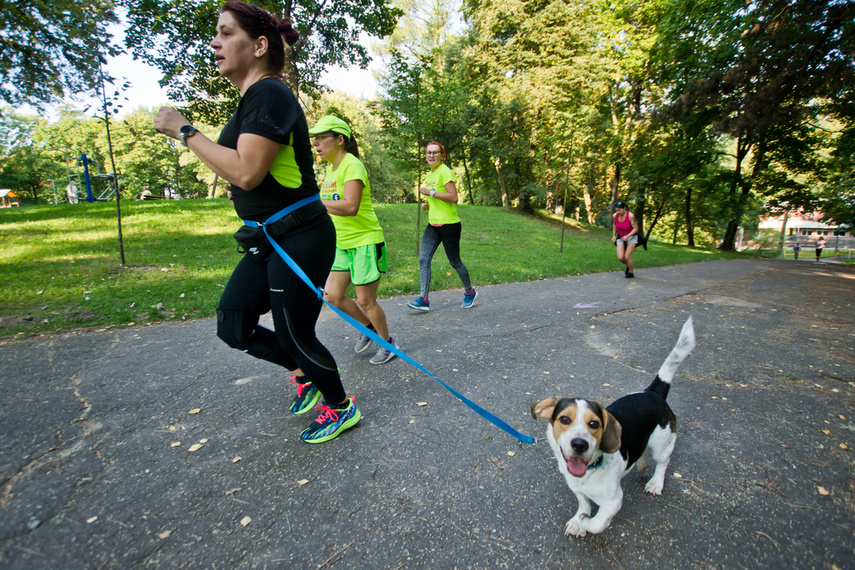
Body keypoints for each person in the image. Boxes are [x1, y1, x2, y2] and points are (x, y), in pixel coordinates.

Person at [153, 1, 359, 444]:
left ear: (260, 45)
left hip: (300, 236)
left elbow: (246, 170)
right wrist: (242, 190)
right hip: (268, 239)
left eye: (226, 33)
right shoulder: (251, 101)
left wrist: (187, 130)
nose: (215, 42)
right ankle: (304, 375)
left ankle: (341, 406)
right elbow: (249, 175)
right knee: (233, 322)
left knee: (294, 331)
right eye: (217, 33)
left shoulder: (270, 93)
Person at [309, 115, 398, 365]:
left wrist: (315, 202)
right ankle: (369, 329)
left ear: (340, 140)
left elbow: (350, 206)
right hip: (341, 243)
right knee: (332, 296)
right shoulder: (331, 169)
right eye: (314, 138)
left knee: (365, 300)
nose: (316, 143)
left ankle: (387, 343)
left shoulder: (353, 165)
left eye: (321, 137)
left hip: (365, 241)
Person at [407, 142, 477, 311]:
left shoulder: (445, 172)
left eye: (435, 152)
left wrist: (431, 193)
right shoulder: (428, 176)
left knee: (454, 262)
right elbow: (437, 200)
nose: (431, 156)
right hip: (433, 225)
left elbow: (453, 198)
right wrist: (428, 205)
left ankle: (469, 292)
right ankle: (424, 299)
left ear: (442, 155)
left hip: (450, 225)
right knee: (423, 259)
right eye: (428, 153)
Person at [612, 200, 638, 278]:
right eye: (617, 210)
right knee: (620, 257)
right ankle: (630, 265)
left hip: (631, 237)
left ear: (625, 208)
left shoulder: (630, 216)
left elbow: (635, 228)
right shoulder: (615, 216)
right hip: (620, 237)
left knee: (627, 256)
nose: (618, 212)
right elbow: (614, 224)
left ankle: (631, 272)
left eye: (620, 210)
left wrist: (628, 236)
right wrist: (614, 235)